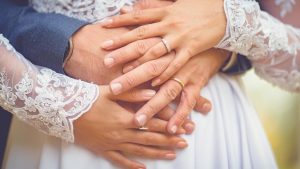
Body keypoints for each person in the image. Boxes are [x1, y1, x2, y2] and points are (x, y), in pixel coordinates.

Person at [2, 0, 281, 169]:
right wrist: (60, 100)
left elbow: (285, 30)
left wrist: (223, 42)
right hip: (69, 117)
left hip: (214, 127)